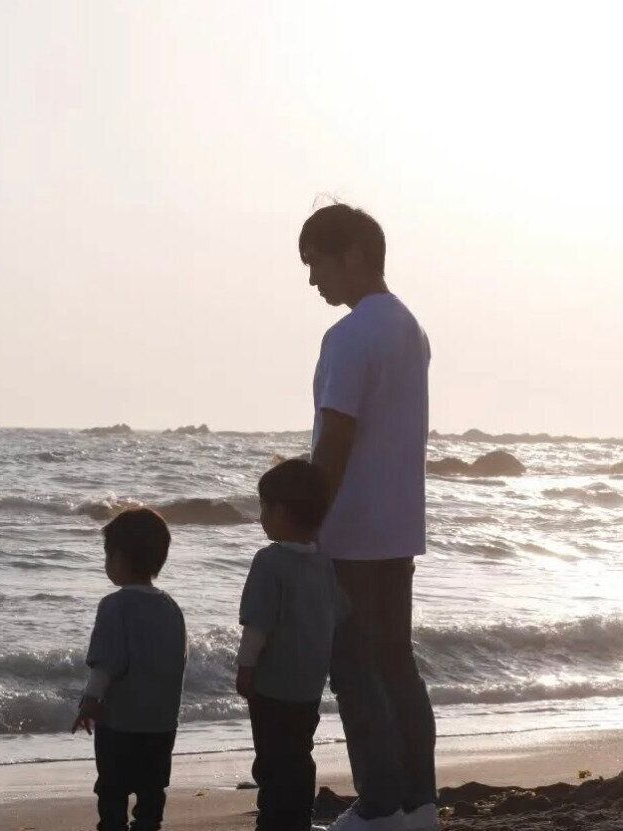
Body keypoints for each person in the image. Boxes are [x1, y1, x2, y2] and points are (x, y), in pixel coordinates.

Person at [301, 203, 437, 831]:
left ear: (352, 253)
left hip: (352, 529)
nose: (313, 281)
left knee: (356, 672)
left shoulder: (351, 334)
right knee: (395, 665)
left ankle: (381, 805)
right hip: (398, 524)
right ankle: (417, 803)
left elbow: (337, 436)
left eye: (316, 264)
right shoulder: (408, 326)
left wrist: (305, 520)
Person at [235, 459, 339, 831]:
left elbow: (257, 625)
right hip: (308, 685)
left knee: (271, 760)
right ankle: (298, 818)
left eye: (264, 507)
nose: (261, 516)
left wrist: (246, 668)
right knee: (299, 753)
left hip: (273, 685)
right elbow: (335, 616)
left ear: (279, 510)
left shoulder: (269, 561)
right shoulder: (325, 563)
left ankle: (275, 820)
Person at [72, 508, 187, 831]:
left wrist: (90, 701)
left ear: (119, 558)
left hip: (120, 722)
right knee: (152, 790)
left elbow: (106, 663)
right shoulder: (170, 607)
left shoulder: (114, 605)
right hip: (161, 723)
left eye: (107, 556)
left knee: (112, 789)